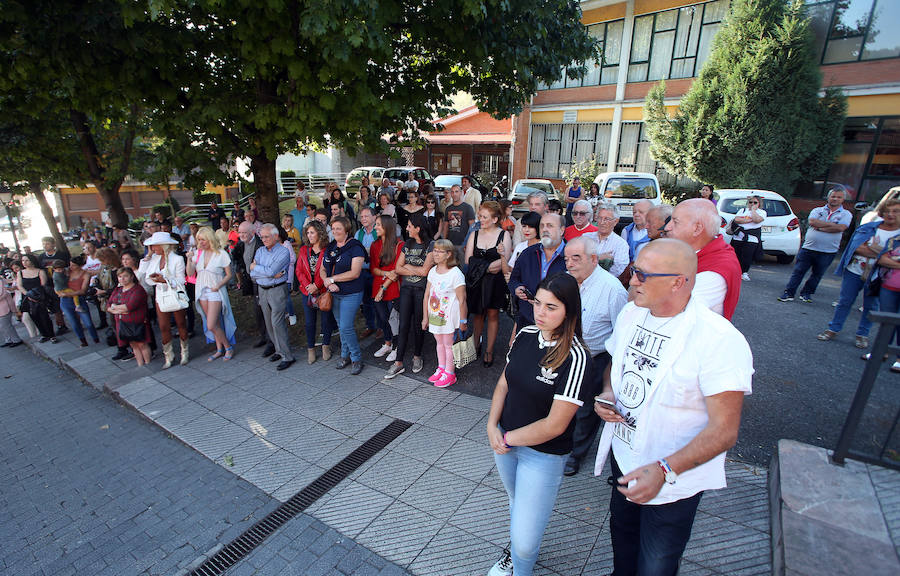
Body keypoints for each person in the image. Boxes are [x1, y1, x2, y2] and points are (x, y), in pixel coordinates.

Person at [593, 239, 753, 576]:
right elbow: (615, 362)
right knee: (622, 542)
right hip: (626, 459)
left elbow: (724, 430)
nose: (631, 279)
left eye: (641, 275)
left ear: (678, 281)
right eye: (634, 270)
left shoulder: (719, 340)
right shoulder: (631, 313)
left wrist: (664, 469)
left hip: (672, 478)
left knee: (656, 563)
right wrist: (608, 392)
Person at [486, 273, 592, 576]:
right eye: (537, 303)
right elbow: (504, 383)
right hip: (505, 442)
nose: (541, 313)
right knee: (516, 504)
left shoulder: (576, 356)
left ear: (569, 311)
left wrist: (507, 438)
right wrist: (492, 425)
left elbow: (555, 425)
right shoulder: (525, 334)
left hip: (542, 454)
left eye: (551, 307)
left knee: (525, 542)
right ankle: (514, 554)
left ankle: (519, 563)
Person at [561, 235, 628, 476]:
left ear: (593, 259)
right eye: (567, 258)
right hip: (565, 353)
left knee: (586, 411)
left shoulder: (612, 289)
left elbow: (622, 333)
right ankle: (559, 441)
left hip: (595, 358)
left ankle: (576, 454)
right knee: (562, 401)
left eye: (576, 258)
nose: (569, 263)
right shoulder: (566, 281)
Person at [818, 199, 900, 349]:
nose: (890, 214)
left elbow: (888, 258)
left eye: (895, 211)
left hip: (880, 276)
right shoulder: (869, 227)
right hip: (855, 270)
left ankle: (862, 335)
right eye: (887, 211)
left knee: (871, 305)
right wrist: (880, 253)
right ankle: (833, 329)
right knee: (845, 301)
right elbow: (857, 248)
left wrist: (875, 251)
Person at [664, 198, 742, 320]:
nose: (667, 227)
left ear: (697, 229)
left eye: (675, 222)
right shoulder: (690, 253)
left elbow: (672, 312)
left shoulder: (715, 272)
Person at [779, 189, 851, 303]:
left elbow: (841, 228)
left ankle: (806, 294)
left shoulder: (846, 214)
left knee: (817, 274)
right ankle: (789, 293)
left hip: (828, 251)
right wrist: (833, 225)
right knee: (798, 271)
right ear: (828, 197)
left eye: (839, 197)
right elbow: (812, 222)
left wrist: (821, 227)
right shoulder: (818, 210)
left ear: (843, 199)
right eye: (833, 196)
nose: (835, 199)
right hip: (809, 248)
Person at [385, 212, 434, 379]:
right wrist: (415, 269)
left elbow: (425, 271)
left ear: (418, 228)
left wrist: (408, 265)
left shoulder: (430, 245)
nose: (406, 228)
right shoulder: (407, 243)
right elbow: (398, 268)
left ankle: (417, 356)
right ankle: (398, 363)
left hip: (421, 291)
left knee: (419, 325)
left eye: (409, 226)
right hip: (406, 289)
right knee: (403, 324)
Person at [465, 201, 512, 367]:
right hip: (477, 282)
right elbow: (467, 260)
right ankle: (476, 345)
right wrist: (487, 267)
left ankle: (489, 351)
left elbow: (505, 261)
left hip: (495, 283)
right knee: (478, 315)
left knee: (493, 315)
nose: (481, 219)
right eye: (480, 216)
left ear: (495, 219)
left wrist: (481, 265)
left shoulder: (504, 235)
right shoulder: (474, 234)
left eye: (484, 217)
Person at [322, 216, 367, 375]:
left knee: (346, 326)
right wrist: (327, 282)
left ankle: (356, 357)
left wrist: (333, 279)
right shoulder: (331, 246)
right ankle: (344, 355)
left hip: (351, 293)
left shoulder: (356, 247)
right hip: (334, 293)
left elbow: (355, 273)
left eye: (338, 229)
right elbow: (323, 268)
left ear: (347, 229)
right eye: (333, 229)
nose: (335, 232)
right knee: (341, 326)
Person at [508, 213, 567, 330]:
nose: (544, 229)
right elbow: (514, 279)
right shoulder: (528, 253)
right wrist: (517, 288)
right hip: (527, 319)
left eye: (550, 226)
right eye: (542, 226)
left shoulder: (570, 256)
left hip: (558, 324)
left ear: (562, 230)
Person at [141, 232, 190, 368]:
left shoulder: (177, 259)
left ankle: (184, 352)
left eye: (155, 245)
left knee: (180, 324)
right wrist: (149, 257)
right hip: (161, 296)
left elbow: (181, 280)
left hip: (175, 294)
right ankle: (168, 355)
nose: (152, 248)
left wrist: (165, 280)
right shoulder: (154, 258)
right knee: (163, 326)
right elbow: (144, 275)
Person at [422, 239, 467, 388]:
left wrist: (463, 321)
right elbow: (427, 295)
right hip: (435, 316)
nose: (435, 253)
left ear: (448, 254)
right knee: (439, 343)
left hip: (448, 318)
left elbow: (462, 300)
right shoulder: (432, 271)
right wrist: (425, 317)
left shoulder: (456, 274)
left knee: (448, 345)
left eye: (440, 251)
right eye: (434, 250)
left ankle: (450, 372)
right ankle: (441, 368)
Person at [250, 223, 295, 371]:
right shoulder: (260, 251)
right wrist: (266, 272)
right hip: (262, 289)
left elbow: (271, 271)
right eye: (262, 237)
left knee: (277, 323)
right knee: (269, 322)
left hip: (277, 290)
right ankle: (278, 350)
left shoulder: (283, 252)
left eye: (267, 237)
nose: (263, 239)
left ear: (276, 236)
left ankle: (287, 356)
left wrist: (258, 268)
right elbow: (252, 274)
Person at [187, 227, 237, 361]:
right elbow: (190, 273)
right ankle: (219, 348)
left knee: (211, 324)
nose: (201, 242)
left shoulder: (221, 254)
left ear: (210, 239)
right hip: (201, 291)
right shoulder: (198, 253)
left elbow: (229, 275)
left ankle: (228, 347)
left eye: (203, 239)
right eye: (199, 240)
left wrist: (218, 286)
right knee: (214, 323)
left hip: (215, 290)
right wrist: (189, 259)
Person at [296, 219, 335, 364]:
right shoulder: (303, 250)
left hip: (323, 291)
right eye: (308, 233)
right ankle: (311, 349)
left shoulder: (328, 250)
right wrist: (308, 286)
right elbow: (299, 271)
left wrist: (317, 286)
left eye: (312, 232)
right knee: (309, 322)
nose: (309, 235)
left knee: (326, 320)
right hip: (307, 292)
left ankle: (326, 345)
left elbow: (328, 270)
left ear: (320, 233)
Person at [370, 215, 404, 361]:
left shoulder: (399, 245)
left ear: (387, 227)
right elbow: (373, 269)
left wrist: (382, 288)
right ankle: (387, 343)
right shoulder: (374, 245)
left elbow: (396, 272)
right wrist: (385, 273)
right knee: (382, 318)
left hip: (392, 288)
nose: (375, 227)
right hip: (377, 285)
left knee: (393, 319)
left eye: (378, 224)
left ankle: (397, 347)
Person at [235, 221, 271, 349]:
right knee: (257, 311)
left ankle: (271, 341)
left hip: (262, 282)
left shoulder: (260, 244)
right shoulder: (241, 244)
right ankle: (263, 337)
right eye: (239, 232)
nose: (241, 235)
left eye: (244, 232)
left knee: (265, 311)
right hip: (252, 282)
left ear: (252, 233)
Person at [107, 267, 151, 366]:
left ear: (131, 276)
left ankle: (148, 364)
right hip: (123, 323)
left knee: (142, 344)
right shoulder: (118, 289)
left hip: (137, 322)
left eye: (125, 276)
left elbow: (130, 306)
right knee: (133, 345)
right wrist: (116, 310)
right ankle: (140, 365)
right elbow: (108, 305)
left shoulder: (138, 289)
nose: (122, 279)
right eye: (120, 276)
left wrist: (115, 308)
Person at [55, 255, 100, 347]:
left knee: (88, 323)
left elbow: (83, 290)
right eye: (70, 265)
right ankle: (83, 340)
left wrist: (67, 294)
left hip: (78, 299)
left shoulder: (85, 274)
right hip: (66, 301)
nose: (71, 267)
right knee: (74, 323)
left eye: (74, 265)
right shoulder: (66, 271)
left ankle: (95, 338)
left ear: (80, 266)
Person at [874, 235, 900, 372]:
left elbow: (887, 260)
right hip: (888, 287)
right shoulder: (895, 240)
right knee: (885, 320)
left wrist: (894, 260)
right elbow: (882, 259)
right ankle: (881, 351)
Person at [16, 255, 54, 342]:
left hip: (39, 296)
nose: (24, 263)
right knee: (34, 316)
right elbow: (20, 286)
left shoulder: (40, 271)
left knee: (44, 316)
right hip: (27, 297)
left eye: (26, 260)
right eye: (23, 261)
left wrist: (36, 295)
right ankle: (43, 334)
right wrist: (28, 295)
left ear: (32, 261)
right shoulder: (20, 273)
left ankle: (51, 334)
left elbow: (43, 284)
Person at [355, 207, 380, 339]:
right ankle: (370, 326)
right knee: (366, 302)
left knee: (378, 300)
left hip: (376, 271)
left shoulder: (379, 231)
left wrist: (365, 251)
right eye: (362, 216)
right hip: (362, 271)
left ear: (374, 217)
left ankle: (381, 326)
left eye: (366, 216)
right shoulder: (358, 233)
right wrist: (368, 251)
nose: (363, 219)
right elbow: (356, 252)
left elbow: (379, 252)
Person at [729, 195, 767, 281]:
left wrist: (753, 211)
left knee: (747, 256)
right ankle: (734, 272)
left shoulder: (762, 212)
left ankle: (744, 272)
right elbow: (737, 220)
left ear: (759, 204)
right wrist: (750, 220)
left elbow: (757, 220)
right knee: (736, 255)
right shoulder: (742, 210)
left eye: (755, 202)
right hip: (738, 236)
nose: (752, 204)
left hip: (752, 237)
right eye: (750, 202)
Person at [593, 203, 630, 278]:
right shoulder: (586, 238)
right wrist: (598, 258)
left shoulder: (621, 245)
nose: (602, 222)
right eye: (600, 218)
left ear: (615, 221)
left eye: (607, 219)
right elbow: (577, 262)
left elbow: (617, 272)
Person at [442, 185, 476, 255]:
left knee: (463, 265)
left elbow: (472, 228)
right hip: (450, 244)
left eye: (456, 192)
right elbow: (445, 226)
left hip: (463, 244)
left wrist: (469, 243)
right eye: (452, 192)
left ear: (461, 193)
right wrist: (444, 241)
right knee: (451, 265)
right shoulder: (448, 209)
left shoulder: (468, 208)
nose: (454, 194)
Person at [0, 276, 24, 348]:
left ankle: (16, 339)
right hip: (2, 306)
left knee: (6, 324)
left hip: (5, 305)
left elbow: (5, 292)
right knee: (2, 325)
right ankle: (9, 339)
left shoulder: (1, 280)